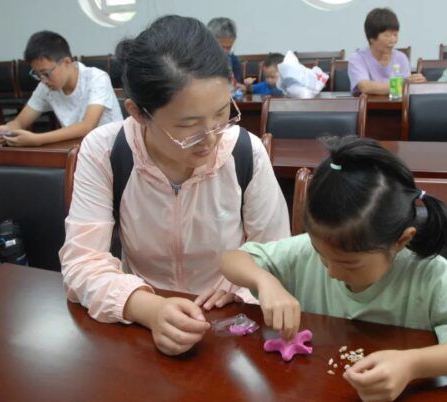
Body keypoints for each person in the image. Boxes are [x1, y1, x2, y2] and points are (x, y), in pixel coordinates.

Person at [220, 137, 447, 401]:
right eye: (321, 254)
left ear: (400, 242)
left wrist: (413, 365)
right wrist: (267, 282)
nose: (329, 270)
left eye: (348, 264)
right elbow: (232, 259)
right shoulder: (306, 251)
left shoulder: (426, 274)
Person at [59, 15, 290, 357]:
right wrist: (146, 307)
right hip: (140, 323)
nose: (212, 137)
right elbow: (82, 262)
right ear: (138, 113)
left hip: (231, 327)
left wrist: (245, 284)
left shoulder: (244, 152)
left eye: (222, 113)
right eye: (190, 126)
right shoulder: (106, 151)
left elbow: (277, 254)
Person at [0, 31, 122, 146]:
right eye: (37, 75)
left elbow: (87, 126)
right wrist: (7, 129)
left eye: (46, 73)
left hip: (112, 148)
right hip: (78, 149)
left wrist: (38, 139)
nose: (43, 80)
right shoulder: (45, 87)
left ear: (66, 62)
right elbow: (20, 122)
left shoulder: (97, 78)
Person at [348, 8, 426, 95]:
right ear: (372, 38)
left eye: (395, 35)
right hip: (368, 107)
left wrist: (416, 83)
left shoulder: (401, 57)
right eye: (387, 35)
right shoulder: (357, 58)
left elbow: (407, 89)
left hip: (398, 107)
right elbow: (365, 87)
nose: (393, 40)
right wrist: (401, 85)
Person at [207, 17, 246, 92]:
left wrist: (239, 88)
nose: (225, 52)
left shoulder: (233, 61)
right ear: (209, 41)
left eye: (229, 47)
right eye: (221, 47)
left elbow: (237, 85)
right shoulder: (197, 61)